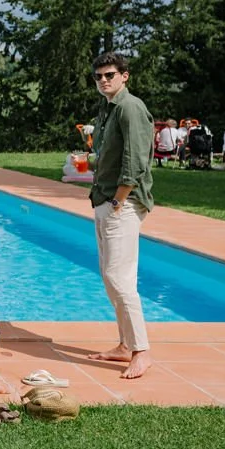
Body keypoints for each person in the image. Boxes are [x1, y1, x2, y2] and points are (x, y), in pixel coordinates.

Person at [88, 52, 154, 379]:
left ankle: (141, 351)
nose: (104, 80)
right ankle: (125, 345)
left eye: (110, 75)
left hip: (122, 204)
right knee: (110, 278)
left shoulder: (131, 108)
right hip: (106, 200)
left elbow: (136, 160)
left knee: (119, 278)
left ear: (124, 75)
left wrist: (118, 200)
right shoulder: (108, 109)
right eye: (99, 76)